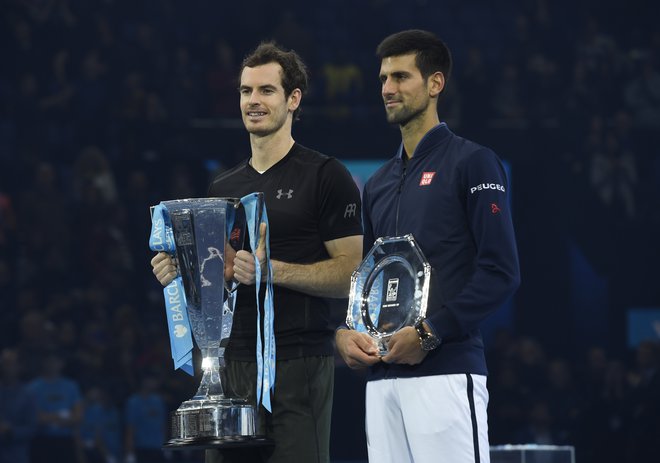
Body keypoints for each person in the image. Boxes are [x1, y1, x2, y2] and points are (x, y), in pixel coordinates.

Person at [151, 42, 363, 463]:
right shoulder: (221, 188)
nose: (254, 101)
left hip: (299, 361)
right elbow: (219, 279)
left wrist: (272, 270)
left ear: (293, 99)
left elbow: (352, 275)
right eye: (246, 91)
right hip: (232, 364)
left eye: (266, 90)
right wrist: (181, 272)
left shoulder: (325, 175)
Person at [335, 29, 521, 463]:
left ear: (435, 83)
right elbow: (370, 279)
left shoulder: (474, 162)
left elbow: (501, 272)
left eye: (401, 77)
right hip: (381, 382)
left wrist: (429, 333)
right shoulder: (378, 184)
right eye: (383, 78)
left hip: (447, 370)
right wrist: (346, 333)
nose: (387, 89)